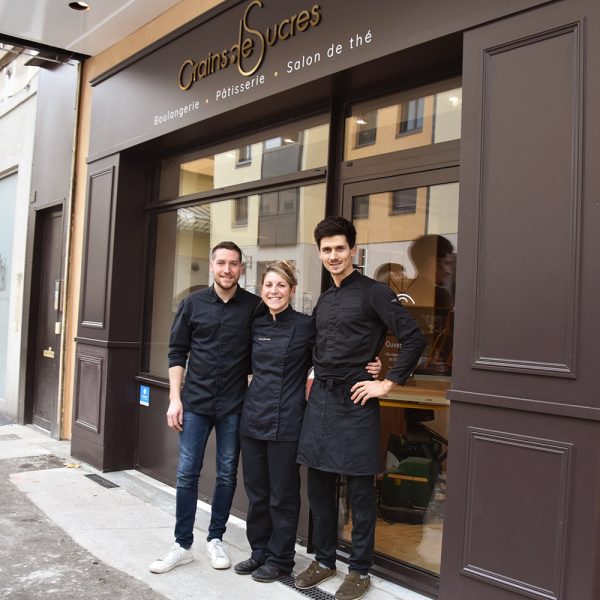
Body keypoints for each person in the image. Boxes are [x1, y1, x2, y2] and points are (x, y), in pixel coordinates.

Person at [295, 217, 426, 600]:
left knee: (359, 491)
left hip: (355, 400)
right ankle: (323, 560)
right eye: (326, 250)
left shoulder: (375, 292)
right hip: (320, 399)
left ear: (353, 250)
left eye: (340, 248)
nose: (333, 256)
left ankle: (360, 569)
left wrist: (385, 381)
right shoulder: (326, 297)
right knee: (318, 487)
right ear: (319, 254)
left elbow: (413, 338)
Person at [234, 261, 381, 584]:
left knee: (282, 495)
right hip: (252, 419)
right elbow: (240, 365)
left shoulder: (306, 325)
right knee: (257, 493)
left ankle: (281, 559)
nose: (274, 291)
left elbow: (337, 351)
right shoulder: (255, 325)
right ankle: (259, 551)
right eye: (269, 285)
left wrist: (372, 363)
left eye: (281, 286)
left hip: (288, 421)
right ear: (262, 289)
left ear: (292, 290)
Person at [149, 241, 260, 574]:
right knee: (187, 473)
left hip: (234, 405)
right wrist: (174, 398)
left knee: (227, 472)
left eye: (234, 264)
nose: (227, 269)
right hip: (195, 402)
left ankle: (216, 538)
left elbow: (262, 354)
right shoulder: (192, 304)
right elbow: (176, 353)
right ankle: (182, 545)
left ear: (242, 268)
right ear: (212, 266)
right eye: (222, 263)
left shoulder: (254, 307)